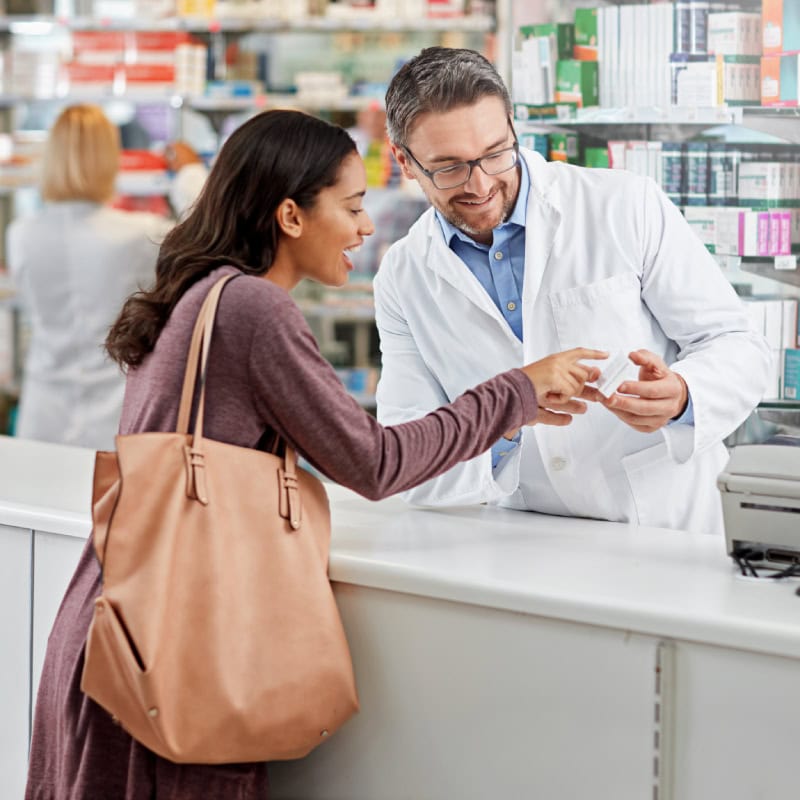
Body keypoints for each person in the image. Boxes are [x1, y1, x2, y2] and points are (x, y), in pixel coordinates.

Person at [25, 108, 605, 799]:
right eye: (353, 205)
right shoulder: (252, 310)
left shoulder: (201, 292)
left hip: (118, 628)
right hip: (171, 649)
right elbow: (374, 463)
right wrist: (516, 390)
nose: (366, 227)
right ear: (291, 216)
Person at [373, 46, 771, 535]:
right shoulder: (403, 276)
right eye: (449, 167)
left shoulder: (623, 205)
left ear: (513, 131)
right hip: (528, 540)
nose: (480, 184)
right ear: (405, 162)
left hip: (666, 529)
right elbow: (405, 450)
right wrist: (504, 419)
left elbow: (739, 345)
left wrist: (684, 396)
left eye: (496, 153)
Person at [6, 104, 205, 450]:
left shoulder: (21, 233)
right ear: (110, 159)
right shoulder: (137, 234)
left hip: (42, 412)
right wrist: (189, 173)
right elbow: (208, 234)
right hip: (116, 415)